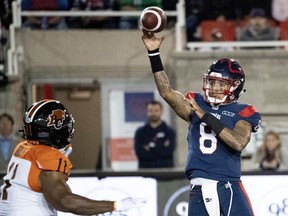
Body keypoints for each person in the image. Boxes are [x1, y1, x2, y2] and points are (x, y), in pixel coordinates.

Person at [141, 31, 261, 215]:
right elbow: (166, 92)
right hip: (198, 185)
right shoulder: (196, 101)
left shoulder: (242, 111)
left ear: (235, 86)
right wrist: (154, 53)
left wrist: (204, 115)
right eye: (212, 82)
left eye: (221, 84)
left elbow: (238, 142)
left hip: (228, 184)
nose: (215, 88)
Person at [0, 99, 146, 215]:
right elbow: (65, 201)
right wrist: (116, 205)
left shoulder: (23, 147)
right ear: (55, 131)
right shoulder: (49, 158)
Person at [134, 100, 176, 168]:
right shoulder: (140, 132)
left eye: (156, 110)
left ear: (161, 111)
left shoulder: (170, 132)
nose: (153, 113)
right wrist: (160, 148)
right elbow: (140, 153)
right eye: (150, 111)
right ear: (147, 112)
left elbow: (169, 152)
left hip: (166, 173)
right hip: (146, 172)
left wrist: (149, 148)